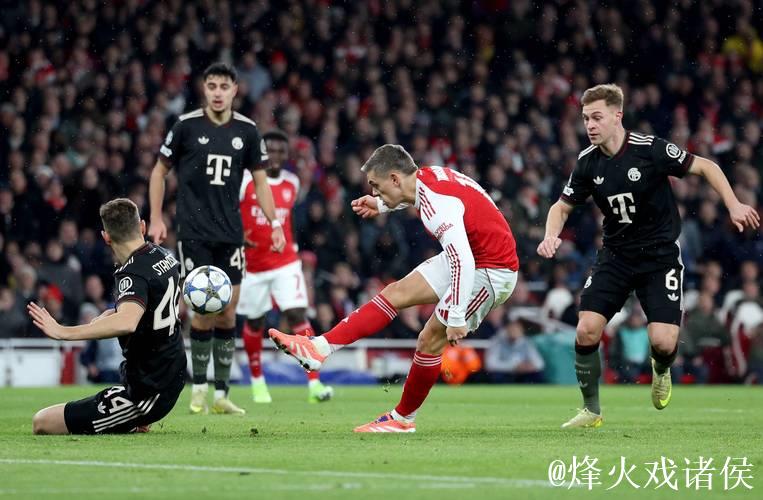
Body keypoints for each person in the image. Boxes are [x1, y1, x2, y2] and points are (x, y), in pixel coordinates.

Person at [537, 83, 760, 428]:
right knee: (586, 330)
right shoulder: (587, 162)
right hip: (616, 256)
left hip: (660, 258)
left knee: (663, 341)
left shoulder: (650, 149)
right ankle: (591, 410)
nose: (590, 125)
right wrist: (550, 235)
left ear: (617, 116)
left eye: (597, 117)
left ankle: (661, 368)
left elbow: (706, 167)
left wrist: (733, 205)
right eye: (585, 119)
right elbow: (561, 206)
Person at [269, 144, 519, 432]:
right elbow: (418, 200)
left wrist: (457, 316)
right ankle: (318, 348)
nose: (374, 192)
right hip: (475, 254)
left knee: (429, 339)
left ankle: (402, 419)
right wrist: (382, 205)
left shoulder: (437, 205)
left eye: (376, 186)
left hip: (491, 271)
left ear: (395, 178)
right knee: (393, 293)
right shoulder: (426, 178)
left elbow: (462, 259)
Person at [148, 62, 286, 415]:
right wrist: (156, 217)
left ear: (235, 90)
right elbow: (159, 172)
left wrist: (275, 224)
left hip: (231, 234)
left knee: (228, 312)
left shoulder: (248, 131)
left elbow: (261, 182)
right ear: (204, 89)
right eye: (212, 86)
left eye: (224, 86)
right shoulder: (186, 126)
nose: (218, 92)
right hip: (194, 234)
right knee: (201, 310)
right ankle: (198, 391)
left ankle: (222, 394)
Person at [28, 198, 186, 434]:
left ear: (106, 237)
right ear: (142, 226)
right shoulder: (163, 255)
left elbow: (127, 322)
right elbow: (155, 306)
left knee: (42, 422)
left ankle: (132, 419)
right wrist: (112, 313)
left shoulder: (132, 274)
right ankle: (131, 420)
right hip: (172, 371)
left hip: (148, 393)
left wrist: (63, 332)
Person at [238, 129, 333, 403]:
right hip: (252, 265)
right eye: (270, 150)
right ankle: (258, 383)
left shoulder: (292, 183)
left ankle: (314, 384)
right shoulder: (245, 180)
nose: (275, 156)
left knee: (297, 314)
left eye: (281, 151)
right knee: (255, 321)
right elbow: (231, 210)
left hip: (285, 262)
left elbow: (288, 218)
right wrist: (238, 234)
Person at [484, 319, 545, 383]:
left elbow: (539, 364)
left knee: (537, 375)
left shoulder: (527, 343)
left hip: (523, 374)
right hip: (505, 373)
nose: (514, 332)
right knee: (495, 376)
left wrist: (528, 366)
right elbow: (490, 364)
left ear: (521, 331)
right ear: (507, 330)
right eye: (512, 329)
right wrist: (513, 367)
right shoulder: (497, 341)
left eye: (516, 329)